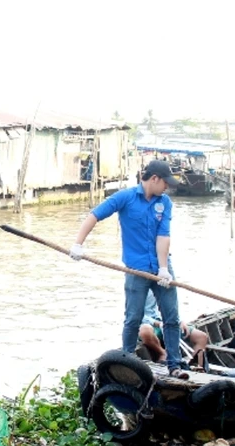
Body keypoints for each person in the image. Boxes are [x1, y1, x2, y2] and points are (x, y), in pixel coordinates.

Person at [70, 159, 190, 379]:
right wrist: (79, 244)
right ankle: (127, 361)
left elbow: (163, 236)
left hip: (161, 266)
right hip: (136, 269)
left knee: (171, 317)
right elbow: (94, 215)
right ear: (154, 179)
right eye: (165, 183)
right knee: (133, 318)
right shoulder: (125, 198)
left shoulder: (164, 203)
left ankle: (174, 364)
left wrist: (164, 269)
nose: (167, 188)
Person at [138, 290, 210, 369]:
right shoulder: (137, 289)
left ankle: (194, 366)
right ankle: (163, 353)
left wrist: (179, 321)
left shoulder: (164, 287)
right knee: (145, 330)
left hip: (167, 322)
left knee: (201, 337)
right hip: (151, 325)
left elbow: (171, 308)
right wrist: (157, 323)